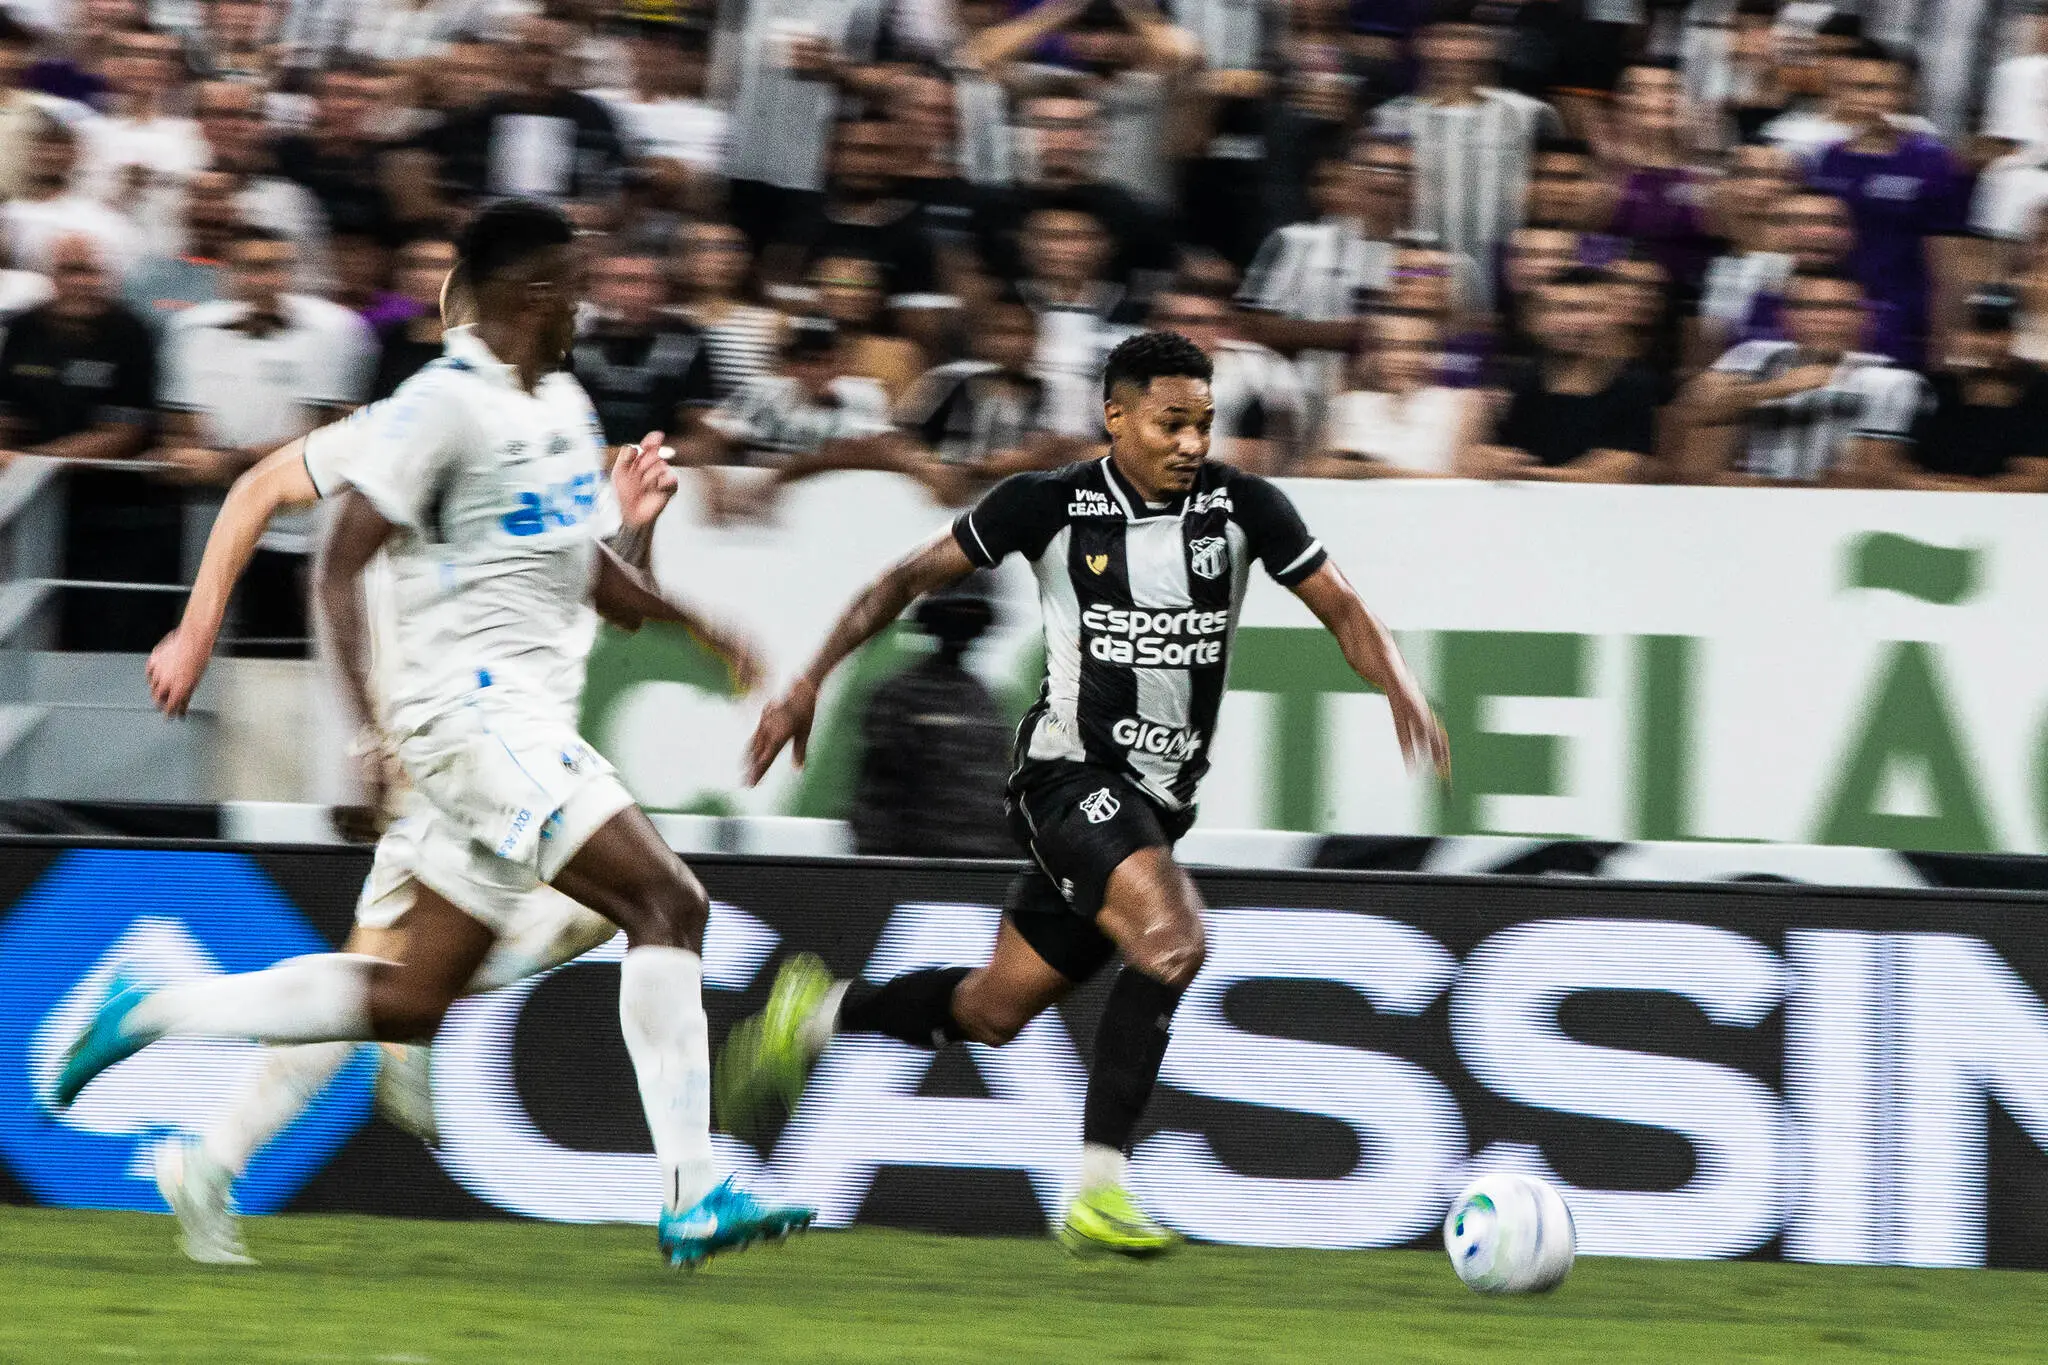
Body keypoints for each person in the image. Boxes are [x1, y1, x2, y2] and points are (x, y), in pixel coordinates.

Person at [56, 198, 815, 1269]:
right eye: (575, 286)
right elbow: (320, 549)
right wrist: (351, 724)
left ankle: (154, 1013)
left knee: (410, 996)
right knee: (665, 902)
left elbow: (595, 581)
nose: (588, 307)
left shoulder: (557, 404)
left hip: (515, 724)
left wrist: (695, 613)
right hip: (466, 719)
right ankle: (692, 1191)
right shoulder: (428, 410)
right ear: (529, 293)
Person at [722, 329, 1448, 1257]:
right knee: (1175, 941)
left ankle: (816, 1013)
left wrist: (1399, 681)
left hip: (1157, 800)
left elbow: (1341, 605)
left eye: (1203, 425)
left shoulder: (1245, 507)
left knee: (994, 1009)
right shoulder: (1049, 503)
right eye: (1170, 423)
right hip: (1070, 778)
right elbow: (903, 579)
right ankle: (1099, 1186)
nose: (1192, 444)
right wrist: (806, 681)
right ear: (1116, 416)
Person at [154, 265, 636, 1267]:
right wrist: (198, 632)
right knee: (580, 907)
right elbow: (253, 490)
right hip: (432, 740)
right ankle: (260, 1107)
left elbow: (591, 596)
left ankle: (224, 1149)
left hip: (477, 736)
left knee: (402, 968)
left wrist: (633, 519)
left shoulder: (540, 442)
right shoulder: (404, 425)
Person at [0, 233, 164, 650]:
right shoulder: (23, 329)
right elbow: (6, 415)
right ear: (51, 277)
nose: (82, 282)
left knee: (96, 634)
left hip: (111, 518)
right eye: (71, 271)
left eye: (91, 271)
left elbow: (123, 436)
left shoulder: (130, 333)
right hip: (29, 513)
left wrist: (27, 462)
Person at [1805, 41, 1970, 371]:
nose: (1870, 100)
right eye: (1859, 88)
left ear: (1902, 95)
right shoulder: (1826, 161)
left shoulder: (1933, 162)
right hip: (1835, 328)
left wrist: (1943, 347)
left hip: (1906, 329)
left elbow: (1951, 266)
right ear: (1841, 92)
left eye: (1881, 89)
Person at [1676, 268, 1921, 485]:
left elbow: (1867, 478)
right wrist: (1778, 387)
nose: (1824, 319)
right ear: (1787, 317)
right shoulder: (1751, 354)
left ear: (1862, 317)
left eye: (1839, 308)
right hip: (1745, 500)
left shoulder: (1889, 378)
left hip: (1828, 507)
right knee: (1706, 434)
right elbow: (1693, 411)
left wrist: (1765, 487)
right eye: (1808, 307)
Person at [849, 580, 1015, 857]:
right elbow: (875, 809)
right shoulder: (900, 696)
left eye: (971, 616)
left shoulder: (984, 701)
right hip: (920, 871)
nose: (962, 625)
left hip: (984, 872)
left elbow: (1003, 799)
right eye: (955, 613)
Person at [1842, 292, 2048, 492]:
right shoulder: (1926, 388)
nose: (1988, 343)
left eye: (2000, 332)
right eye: (1977, 330)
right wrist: (1959, 492)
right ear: (1955, 336)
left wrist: (1955, 491)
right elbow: (1884, 468)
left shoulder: (2039, 392)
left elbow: (2037, 479)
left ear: (2015, 338)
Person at [1478, 266, 1659, 483]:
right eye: (1563, 309)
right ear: (1537, 318)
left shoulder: (1635, 386)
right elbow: (1482, 456)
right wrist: (1486, 461)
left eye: (1592, 309)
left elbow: (1618, 469)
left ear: (1614, 317)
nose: (1577, 322)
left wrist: (1520, 476)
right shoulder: (1516, 383)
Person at [1298, 309, 1484, 478]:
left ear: (1433, 354)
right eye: (1391, 346)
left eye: (1414, 348)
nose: (1401, 359)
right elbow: (1312, 470)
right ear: (1374, 353)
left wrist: (1365, 471)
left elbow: (1464, 483)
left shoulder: (1459, 405)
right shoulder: (1347, 405)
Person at [572, 243, 715, 448]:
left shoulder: (685, 341)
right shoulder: (573, 339)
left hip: (661, 464)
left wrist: (638, 455)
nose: (641, 292)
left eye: (653, 283)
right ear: (597, 286)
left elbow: (702, 435)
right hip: (582, 461)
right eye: (626, 281)